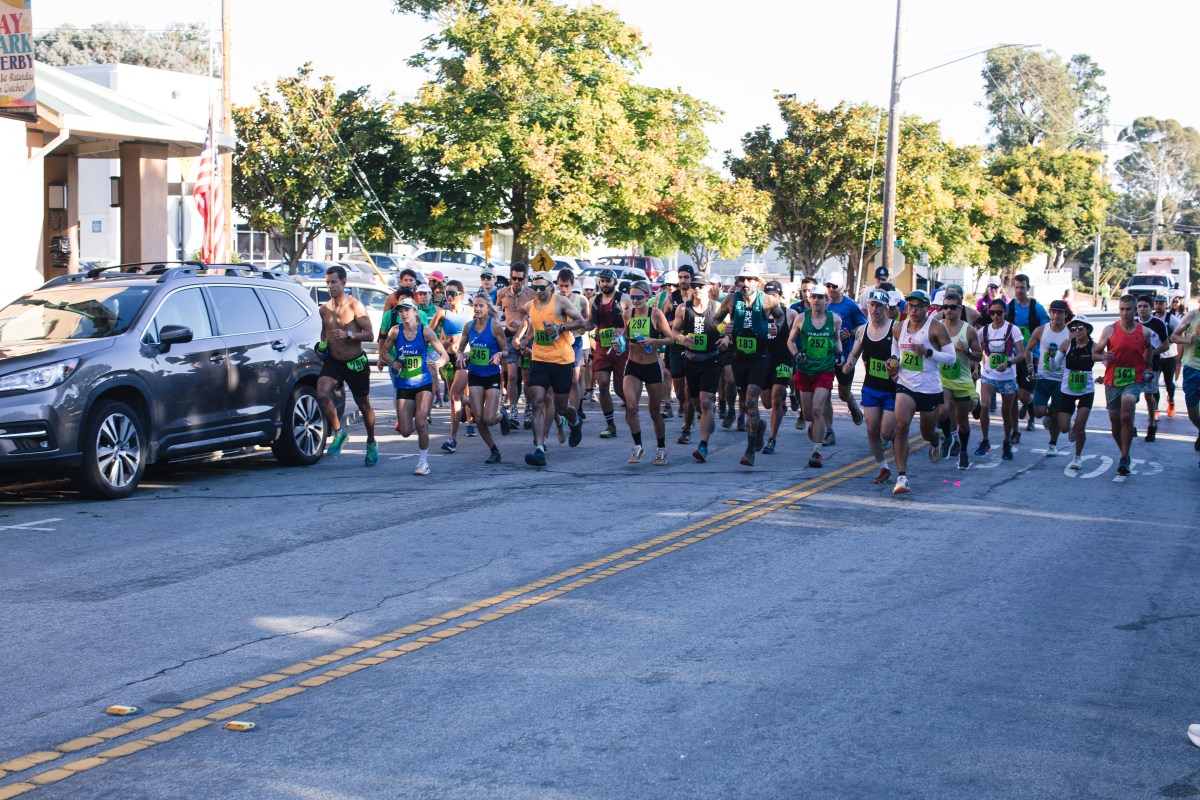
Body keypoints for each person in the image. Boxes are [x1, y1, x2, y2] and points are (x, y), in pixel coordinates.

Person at [715, 267, 787, 466]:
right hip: (739, 357)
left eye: (749, 280)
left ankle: (749, 451)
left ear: (757, 281)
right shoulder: (730, 300)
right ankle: (760, 426)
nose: (745, 284)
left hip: (760, 357)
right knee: (746, 404)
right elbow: (715, 320)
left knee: (752, 400)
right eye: (742, 280)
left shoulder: (768, 300)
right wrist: (723, 328)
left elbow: (780, 316)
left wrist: (776, 327)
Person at [518, 271, 587, 467]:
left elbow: (581, 322)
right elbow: (532, 323)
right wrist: (524, 338)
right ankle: (539, 449)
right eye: (535, 287)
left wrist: (560, 329)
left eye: (542, 287)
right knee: (537, 402)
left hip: (562, 361)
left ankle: (574, 422)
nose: (538, 291)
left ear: (551, 287)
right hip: (539, 359)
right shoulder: (529, 305)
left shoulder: (561, 302)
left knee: (561, 406)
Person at [890, 290, 955, 495]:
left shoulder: (936, 328)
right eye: (910, 306)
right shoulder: (899, 328)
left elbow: (951, 358)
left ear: (928, 308)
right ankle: (902, 477)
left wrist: (928, 352)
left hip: (929, 388)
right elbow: (896, 352)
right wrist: (893, 364)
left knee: (927, 432)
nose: (914, 310)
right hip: (905, 385)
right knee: (901, 426)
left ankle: (936, 441)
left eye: (919, 306)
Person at [317, 266, 379, 466]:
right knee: (322, 393)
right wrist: (322, 347)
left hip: (355, 362)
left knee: (363, 405)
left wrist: (349, 335)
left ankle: (371, 441)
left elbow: (370, 334)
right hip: (334, 361)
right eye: (327, 282)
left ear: (344, 282)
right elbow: (324, 332)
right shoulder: (324, 309)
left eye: (333, 282)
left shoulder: (355, 306)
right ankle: (339, 432)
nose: (330, 286)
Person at [380, 297, 449, 476]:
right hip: (404, 383)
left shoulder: (426, 332)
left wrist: (439, 363)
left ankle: (423, 462)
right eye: (401, 311)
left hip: (423, 382)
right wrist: (393, 362)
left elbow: (444, 355)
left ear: (415, 312)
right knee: (405, 431)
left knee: (420, 423)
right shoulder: (395, 332)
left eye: (407, 310)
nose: (403, 314)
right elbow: (384, 352)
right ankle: (413, 417)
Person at [1094, 295, 1155, 476]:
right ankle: (1124, 454)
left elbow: (1149, 348)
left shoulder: (1144, 332)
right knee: (1115, 422)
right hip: (1113, 380)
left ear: (1135, 310)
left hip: (1134, 379)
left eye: (1128, 309)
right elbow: (1095, 353)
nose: (1124, 313)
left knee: (1127, 411)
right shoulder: (1110, 330)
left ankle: (1124, 456)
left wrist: (1149, 367)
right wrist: (1103, 356)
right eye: (1121, 309)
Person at [841, 288, 897, 482]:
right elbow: (855, 352)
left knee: (887, 432)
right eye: (872, 305)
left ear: (886, 308)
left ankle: (900, 437)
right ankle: (883, 467)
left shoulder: (895, 329)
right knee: (872, 430)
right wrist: (849, 364)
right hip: (872, 387)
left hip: (892, 389)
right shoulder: (864, 330)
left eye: (879, 306)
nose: (874, 309)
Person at [671, 272, 725, 462]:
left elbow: (731, 327)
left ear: (708, 287)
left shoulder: (718, 307)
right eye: (694, 285)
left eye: (700, 286)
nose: (696, 289)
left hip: (711, 360)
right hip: (692, 360)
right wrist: (681, 338)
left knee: (705, 401)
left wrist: (726, 338)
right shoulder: (683, 309)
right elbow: (674, 330)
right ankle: (707, 419)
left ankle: (703, 445)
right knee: (694, 403)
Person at [621, 280, 673, 465]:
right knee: (631, 407)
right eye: (632, 297)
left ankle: (661, 448)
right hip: (633, 365)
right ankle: (638, 447)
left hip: (652, 367)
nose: (635, 301)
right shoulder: (627, 314)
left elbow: (670, 339)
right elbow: (624, 336)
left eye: (639, 297)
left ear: (647, 296)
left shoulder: (656, 314)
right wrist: (618, 342)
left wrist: (654, 341)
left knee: (654, 412)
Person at [789, 285, 841, 468]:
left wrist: (840, 354)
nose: (817, 301)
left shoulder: (834, 320)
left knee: (818, 409)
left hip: (825, 370)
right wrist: (796, 354)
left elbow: (836, 339)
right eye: (814, 297)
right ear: (809, 299)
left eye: (821, 297)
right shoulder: (801, 318)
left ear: (827, 301)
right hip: (805, 370)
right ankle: (815, 427)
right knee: (810, 414)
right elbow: (790, 341)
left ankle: (817, 452)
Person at [455, 292, 509, 463]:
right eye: (475, 305)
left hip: (491, 375)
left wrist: (499, 355)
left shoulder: (495, 327)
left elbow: (506, 350)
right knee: (478, 419)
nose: (477, 309)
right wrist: (461, 355)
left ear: (488, 308)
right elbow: (460, 348)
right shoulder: (468, 326)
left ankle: (502, 416)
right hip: (475, 375)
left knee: (489, 419)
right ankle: (494, 450)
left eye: (481, 306)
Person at [934, 290, 982, 470]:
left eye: (952, 307)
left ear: (960, 309)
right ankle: (947, 436)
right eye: (945, 307)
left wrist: (967, 351)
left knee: (962, 421)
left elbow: (979, 355)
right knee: (942, 411)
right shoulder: (937, 327)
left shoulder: (968, 330)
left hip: (962, 378)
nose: (948, 311)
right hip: (943, 377)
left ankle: (963, 452)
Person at [976, 297, 1025, 461]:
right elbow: (975, 350)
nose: (996, 316)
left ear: (1005, 313)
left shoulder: (1013, 329)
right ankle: (985, 440)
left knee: (1006, 412)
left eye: (999, 313)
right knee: (984, 406)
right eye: (993, 312)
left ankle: (1006, 442)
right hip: (989, 375)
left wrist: (1008, 363)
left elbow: (1022, 354)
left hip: (1007, 377)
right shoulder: (984, 331)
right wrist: (975, 366)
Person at [823, 271, 867, 444]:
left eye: (834, 286)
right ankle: (829, 431)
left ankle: (852, 404)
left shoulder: (850, 305)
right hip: (825, 356)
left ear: (841, 287)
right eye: (828, 286)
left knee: (843, 393)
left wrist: (849, 333)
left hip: (846, 355)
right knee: (824, 393)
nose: (831, 289)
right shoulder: (822, 305)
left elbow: (863, 325)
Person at [1025, 299, 1072, 456]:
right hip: (1044, 377)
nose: (1056, 315)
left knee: (1056, 413)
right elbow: (1028, 350)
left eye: (1059, 312)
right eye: (1053, 311)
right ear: (1050, 313)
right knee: (1039, 412)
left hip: (1061, 379)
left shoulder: (1070, 334)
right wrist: (1030, 367)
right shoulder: (1040, 330)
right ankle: (1044, 414)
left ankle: (1052, 444)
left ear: (1065, 314)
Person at [1006, 273, 1049, 438]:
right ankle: (1017, 424)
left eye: (1022, 288)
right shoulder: (1009, 307)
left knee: (1024, 395)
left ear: (1028, 288)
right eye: (1016, 287)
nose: (1019, 291)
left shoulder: (1036, 308)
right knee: (1013, 392)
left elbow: (1047, 328)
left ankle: (1030, 410)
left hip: (1031, 355)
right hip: (1012, 356)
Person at [1053, 315, 1098, 470]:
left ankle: (1077, 457)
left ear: (1087, 329)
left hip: (1086, 390)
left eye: (1080, 328)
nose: (1076, 331)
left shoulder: (1094, 346)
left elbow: (1107, 361)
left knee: (1080, 427)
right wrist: (1051, 355)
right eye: (1073, 328)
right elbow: (1054, 365)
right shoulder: (1066, 344)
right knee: (1064, 428)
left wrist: (1103, 378)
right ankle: (1071, 424)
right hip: (1067, 390)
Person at [588, 268, 629, 439]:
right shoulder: (594, 300)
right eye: (602, 281)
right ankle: (610, 424)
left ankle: (630, 404)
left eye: (608, 281)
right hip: (602, 346)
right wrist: (575, 327)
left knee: (620, 387)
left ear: (615, 282)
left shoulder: (623, 299)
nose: (605, 284)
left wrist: (623, 336)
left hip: (620, 347)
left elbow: (631, 321)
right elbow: (591, 323)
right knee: (603, 384)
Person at [760, 280, 798, 455]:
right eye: (767, 296)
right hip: (763, 361)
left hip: (782, 361)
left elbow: (798, 334)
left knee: (776, 399)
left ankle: (772, 438)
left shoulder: (790, 313)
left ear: (780, 296)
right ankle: (765, 421)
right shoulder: (759, 313)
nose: (771, 300)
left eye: (774, 296)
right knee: (767, 403)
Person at [498, 262, 535, 429]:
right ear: (510, 277)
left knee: (527, 377)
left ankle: (528, 410)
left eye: (520, 278)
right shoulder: (501, 293)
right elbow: (497, 315)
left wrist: (521, 323)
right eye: (514, 278)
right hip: (509, 339)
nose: (517, 281)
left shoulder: (531, 294)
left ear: (525, 278)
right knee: (512, 376)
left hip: (526, 339)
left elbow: (535, 318)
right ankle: (513, 411)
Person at [439, 281, 474, 452]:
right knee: (455, 397)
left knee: (456, 394)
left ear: (461, 293)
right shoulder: (441, 313)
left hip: (466, 357)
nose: (449, 297)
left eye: (452, 293)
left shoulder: (471, 312)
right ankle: (477, 408)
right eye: (446, 293)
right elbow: (429, 337)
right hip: (448, 359)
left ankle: (467, 425)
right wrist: (444, 343)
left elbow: (483, 330)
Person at [1136, 296, 1172, 441]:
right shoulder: (1133, 323)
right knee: (1131, 396)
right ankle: (1130, 425)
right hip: (1134, 365)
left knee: (1149, 395)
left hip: (1152, 365)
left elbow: (1166, 345)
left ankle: (1151, 424)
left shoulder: (1158, 324)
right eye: (1139, 306)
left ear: (1151, 308)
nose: (1142, 309)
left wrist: (1151, 353)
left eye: (1145, 306)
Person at [1168, 304, 1200, 465]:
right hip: (1192, 368)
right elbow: (1174, 337)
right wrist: (1189, 339)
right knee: (1193, 413)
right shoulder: (1192, 316)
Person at [1152, 295, 1179, 417]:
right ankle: (1155, 409)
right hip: (1155, 356)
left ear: (1166, 305)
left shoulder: (1172, 319)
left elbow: (1179, 335)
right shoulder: (1150, 318)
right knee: (1154, 384)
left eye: (1161, 303)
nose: (1158, 306)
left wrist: (1169, 340)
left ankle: (1171, 400)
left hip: (1169, 355)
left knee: (1169, 383)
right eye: (1156, 303)